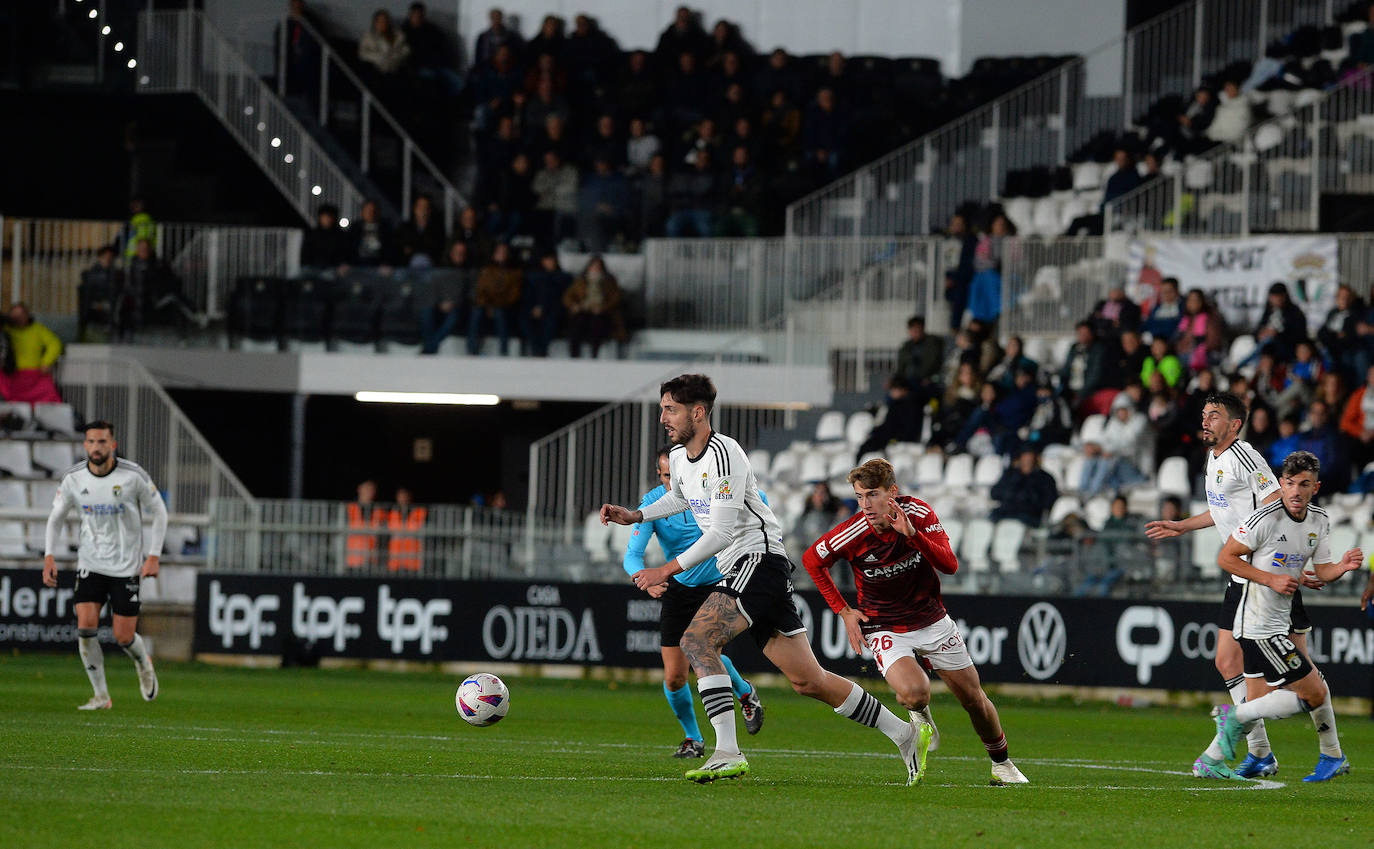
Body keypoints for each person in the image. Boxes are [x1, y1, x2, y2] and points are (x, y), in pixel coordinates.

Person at [601, 374, 924, 784]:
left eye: (670, 409)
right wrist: (636, 515)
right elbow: (682, 497)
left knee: (696, 640)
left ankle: (726, 752)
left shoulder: (726, 454)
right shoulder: (681, 456)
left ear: (697, 412)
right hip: (744, 567)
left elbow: (718, 533)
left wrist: (664, 569)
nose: (663, 417)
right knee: (809, 680)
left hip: (758, 559)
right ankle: (904, 734)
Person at [801, 458, 1028, 786]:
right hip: (885, 627)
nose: (865, 504)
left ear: (893, 492)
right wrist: (843, 610)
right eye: (860, 496)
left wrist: (913, 535)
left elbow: (950, 566)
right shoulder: (851, 532)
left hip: (932, 620)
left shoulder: (919, 515)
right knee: (916, 693)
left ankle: (1002, 765)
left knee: (974, 699)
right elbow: (812, 560)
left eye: (873, 495)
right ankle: (919, 715)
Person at [1145, 391, 1329, 779]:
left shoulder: (1244, 455)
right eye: (1204, 414)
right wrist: (1182, 524)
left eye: (1215, 415)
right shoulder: (1213, 459)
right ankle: (1264, 752)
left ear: (1234, 425)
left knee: (1293, 680)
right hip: (1245, 576)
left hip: (1261, 577)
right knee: (1233, 663)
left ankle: (1315, 750)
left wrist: (1293, 559)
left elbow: (1278, 500)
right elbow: (1222, 511)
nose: (1206, 420)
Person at [1197, 451, 1358, 782]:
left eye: (1304, 484)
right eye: (1290, 484)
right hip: (1257, 625)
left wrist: (1340, 568)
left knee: (1270, 698)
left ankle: (1216, 757)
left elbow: (1323, 569)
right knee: (1312, 693)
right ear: (1281, 484)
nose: (1296, 492)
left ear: (1316, 486)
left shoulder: (1319, 520)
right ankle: (1326, 753)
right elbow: (1226, 558)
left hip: (1279, 622)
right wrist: (1270, 578)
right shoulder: (1264, 519)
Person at [623, 448, 765, 759]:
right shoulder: (652, 504)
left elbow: (760, 506)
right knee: (675, 676)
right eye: (665, 476)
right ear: (660, 476)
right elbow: (632, 556)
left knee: (703, 652)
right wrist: (644, 580)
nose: (673, 480)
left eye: (675, 475)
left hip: (719, 582)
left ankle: (740, 701)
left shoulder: (713, 490)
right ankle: (694, 736)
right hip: (680, 587)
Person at [41, 420, 166, 710]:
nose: (96, 447)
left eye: (102, 442)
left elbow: (159, 511)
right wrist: (49, 554)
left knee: (123, 636)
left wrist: (154, 555)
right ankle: (101, 696)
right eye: (91, 442)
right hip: (91, 562)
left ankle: (143, 664)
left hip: (126, 566)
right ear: (85, 445)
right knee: (85, 626)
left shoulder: (133, 475)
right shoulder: (73, 478)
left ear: (113, 445)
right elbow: (56, 517)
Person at [562, 256, 623, 359]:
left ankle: (594, 355)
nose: (596, 268)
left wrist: (602, 308)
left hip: (601, 312)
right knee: (576, 324)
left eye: (598, 267)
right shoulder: (580, 280)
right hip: (583, 310)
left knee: (597, 324)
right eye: (593, 266)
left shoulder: (609, 281)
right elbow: (567, 296)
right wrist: (574, 306)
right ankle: (574, 356)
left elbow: (615, 298)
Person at [2, 303, 63, 404]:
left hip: (35, 375)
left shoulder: (37, 329)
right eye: (15, 316)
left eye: (21, 315)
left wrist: (46, 362)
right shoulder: (7, 330)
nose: (19, 319)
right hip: (12, 375)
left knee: (50, 398)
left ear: (27, 315)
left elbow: (55, 343)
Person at [468, 243, 522, 356]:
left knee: (500, 313)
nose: (501, 255)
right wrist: (488, 306)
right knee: (476, 312)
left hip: (506, 307)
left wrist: (495, 305)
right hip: (486, 306)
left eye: (504, 252)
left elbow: (513, 296)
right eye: (499, 252)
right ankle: (472, 350)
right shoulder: (486, 271)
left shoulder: (515, 273)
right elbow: (480, 291)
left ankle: (503, 351)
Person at [991, 448, 1058, 528]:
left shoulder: (1045, 478)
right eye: (1025, 457)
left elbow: (1049, 501)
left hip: (1029, 516)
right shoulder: (1010, 475)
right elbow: (994, 493)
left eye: (1030, 457)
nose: (1027, 460)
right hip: (1006, 512)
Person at [78, 246, 123, 341]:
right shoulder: (90, 274)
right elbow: (86, 295)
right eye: (105, 257)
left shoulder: (118, 274)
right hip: (94, 313)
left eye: (110, 257)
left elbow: (118, 293)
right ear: (100, 258)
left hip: (110, 314)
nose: (108, 260)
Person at [300, 203, 354, 272]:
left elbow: (344, 255)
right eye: (325, 217)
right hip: (312, 268)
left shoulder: (341, 235)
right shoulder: (312, 234)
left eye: (330, 217)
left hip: (332, 269)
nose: (327, 219)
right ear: (320, 217)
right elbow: (306, 253)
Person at [346, 479, 386, 569]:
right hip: (352, 559)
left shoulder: (379, 511)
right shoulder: (349, 508)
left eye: (372, 489)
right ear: (359, 488)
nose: (370, 492)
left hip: (372, 560)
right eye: (367, 488)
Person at [386, 487, 427, 572]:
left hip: (412, 560)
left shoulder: (419, 512)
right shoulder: (391, 513)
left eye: (405, 496)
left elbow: (418, 528)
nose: (403, 499)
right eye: (401, 496)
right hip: (395, 560)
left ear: (410, 497)